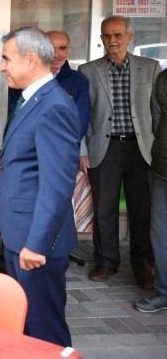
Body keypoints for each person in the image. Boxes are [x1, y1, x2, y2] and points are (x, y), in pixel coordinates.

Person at [0, 27, 80, 347]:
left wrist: (37, 245)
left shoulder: (53, 105)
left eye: (7, 59)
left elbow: (56, 186)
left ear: (31, 60)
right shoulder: (31, 99)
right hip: (20, 234)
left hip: (35, 243)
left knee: (45, 332)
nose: (2, 67)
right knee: (27, 328)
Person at [79, 16, 161, 290]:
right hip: (105, 148)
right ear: (101, 39)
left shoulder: (150, 67)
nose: (112, 41)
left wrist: (159, 149)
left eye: (117, 35)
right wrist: (82, 149)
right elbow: (82, 116)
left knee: (142, 210)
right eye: (106, 36)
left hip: (142, 149)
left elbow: (157, 112)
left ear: (129, 37)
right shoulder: (88, 71)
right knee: (104, 208)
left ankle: (143, 266)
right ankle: (105, 262)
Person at [136, 68, 167, 313]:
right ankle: (163, 291)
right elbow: (156, 120)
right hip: (161, 167)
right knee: (160, 232)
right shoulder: (163, 79)